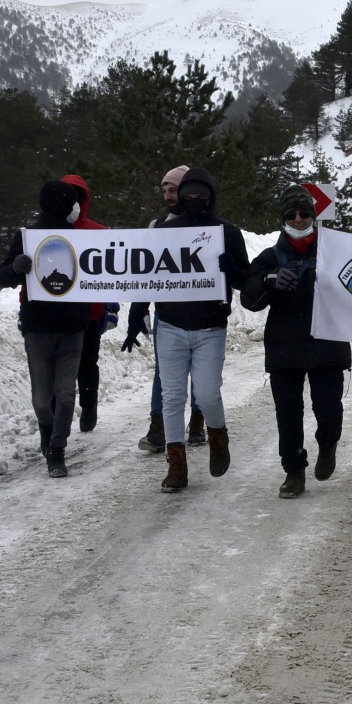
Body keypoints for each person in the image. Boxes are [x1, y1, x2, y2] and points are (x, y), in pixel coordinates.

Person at [145, 167, 250, 492]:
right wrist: (138, 312)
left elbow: (246, 280)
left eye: (200, 195)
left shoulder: (227, 232)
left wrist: (233, 271)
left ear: (211, 197)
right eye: (187, 195)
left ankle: (217, 435)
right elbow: (147, 274)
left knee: (206, 393)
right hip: (171, 325)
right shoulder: (163, 230)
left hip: (210, 327)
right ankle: (176, 463)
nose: (193, 200)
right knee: (172, 397)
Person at [241, 185, 351, 499]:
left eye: (305, 213)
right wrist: (268, 280)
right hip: (284, 347)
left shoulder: (335, 251)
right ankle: (294, 470)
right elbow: (250, 300)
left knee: (329, 410)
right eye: (292, 214)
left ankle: (328, 444)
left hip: (328, 345)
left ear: (314, 217)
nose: (299, 219)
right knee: (288, 414)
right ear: (283, 219)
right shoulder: (269, 257)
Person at [0, 180, 88, 478]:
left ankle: (57, 451)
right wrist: (15, 268)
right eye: (73, 203)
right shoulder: (27, 237)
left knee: (65, 393)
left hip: (73, 328)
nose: (76, 209)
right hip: (38, 328)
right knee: (41, 398)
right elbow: (2, 275)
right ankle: (47, 429)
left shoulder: (84, 240)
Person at [122, 165, 201, 453]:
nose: (168, 195)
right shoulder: (157, 227)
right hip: (167, 312)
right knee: (164, 372)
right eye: (164, 190)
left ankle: (197, 420)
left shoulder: (206, 226)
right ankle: (159, 427)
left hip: (201, 312)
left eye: (173, 189)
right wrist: (137, 311)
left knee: (200, 371)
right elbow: (147, 273)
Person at [60, 175, 119, 432]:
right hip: (57, 311)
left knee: (86, 363)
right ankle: (58, 414)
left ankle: (89, 405)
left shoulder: (99, 232)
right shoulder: (48, 231)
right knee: (60, 367)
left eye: (77, 196)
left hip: (92, 312)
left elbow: (111, 272)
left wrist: (111, 305)